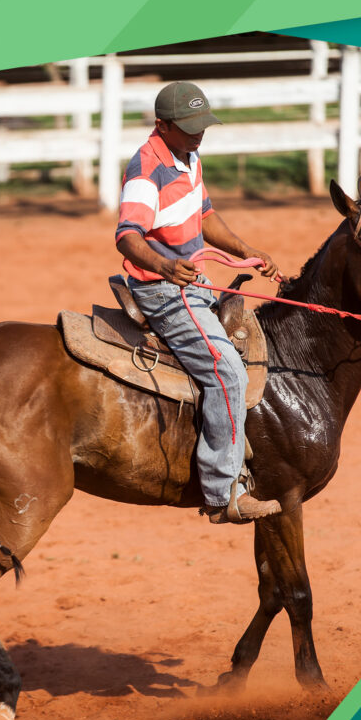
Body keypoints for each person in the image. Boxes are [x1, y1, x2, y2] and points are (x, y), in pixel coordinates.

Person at [115, 81, 282, 524]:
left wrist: (246, 249)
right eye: (189, 127)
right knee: (228, 372)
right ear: (162, 125)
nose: (199, 134)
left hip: (192, 281)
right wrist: (165, 267)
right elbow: (127, 236)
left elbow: (204, 214)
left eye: (202, 125)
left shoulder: (188, 157)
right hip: (163, 288)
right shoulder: (147, 169)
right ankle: (224, 492)